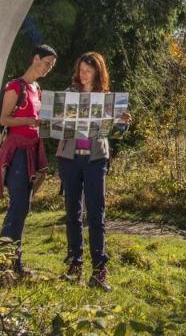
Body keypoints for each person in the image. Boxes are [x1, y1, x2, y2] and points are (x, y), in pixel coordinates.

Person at [56, 51, 132, 290]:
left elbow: (116, 134)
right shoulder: (68, 95)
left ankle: (99, 271)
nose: (83, 73)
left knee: (96, 215)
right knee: (72, 212)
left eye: (88, 70)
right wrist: (53, 119)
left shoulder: (107, 98)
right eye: (81, 69)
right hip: (69, 159)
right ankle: (75, 265)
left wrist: (123, 124)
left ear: (98, 72)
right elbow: (56, 127)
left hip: (95, 160)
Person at [0, 43, 57, 276]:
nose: (48, 68)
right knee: (18, 205)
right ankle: (3, 263)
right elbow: (4, 120)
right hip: (16, 153)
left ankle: (13, 262)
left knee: (23, 206)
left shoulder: (38, 89)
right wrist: (28, 122)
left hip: (33, 151)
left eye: (52, 66)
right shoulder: (16, 86)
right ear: (36, 58)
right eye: (47, 63)